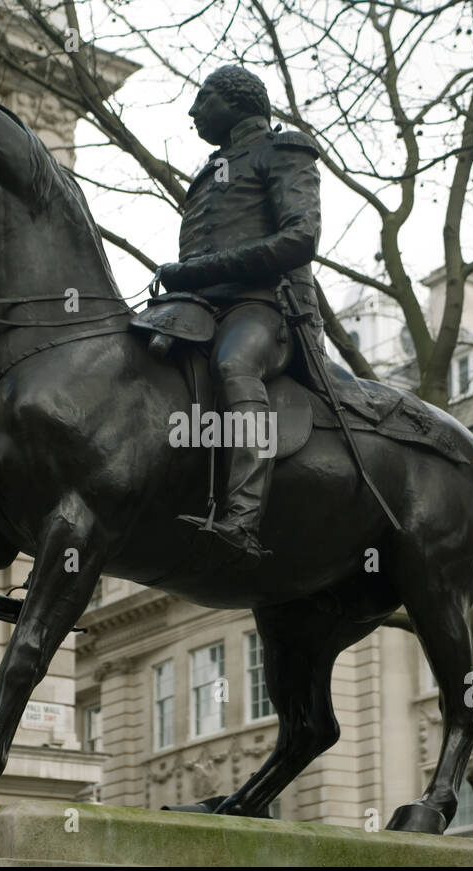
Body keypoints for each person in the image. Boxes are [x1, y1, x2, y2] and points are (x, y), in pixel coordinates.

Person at [156, 65, 322, 567]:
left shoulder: (285, 148)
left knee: (234, 366)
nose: (192, 110)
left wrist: (200, 270)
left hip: (265, 308)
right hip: (200, 308)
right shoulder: (210, 170)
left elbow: (301, 239)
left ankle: (242, 519)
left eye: (203, 98)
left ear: (236, 99)